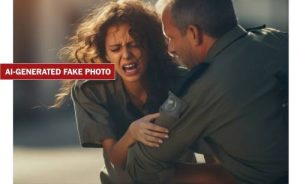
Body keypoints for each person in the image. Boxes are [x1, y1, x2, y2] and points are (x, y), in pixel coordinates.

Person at [125, 0, 288, 183]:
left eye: (171, 38)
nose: (171, 49)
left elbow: (138, 166)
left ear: (194, 34)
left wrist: (222, 175)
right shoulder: (278, 40)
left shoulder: (199, 90)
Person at [53, 0, 197, 183]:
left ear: (150, 46)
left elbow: (211, 146)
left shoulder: (182, 81)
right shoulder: (91, 89)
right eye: (115, 49)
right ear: (105, 55)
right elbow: (115, 159)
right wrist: (132, 133)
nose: (126, 55)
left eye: (134, 44)